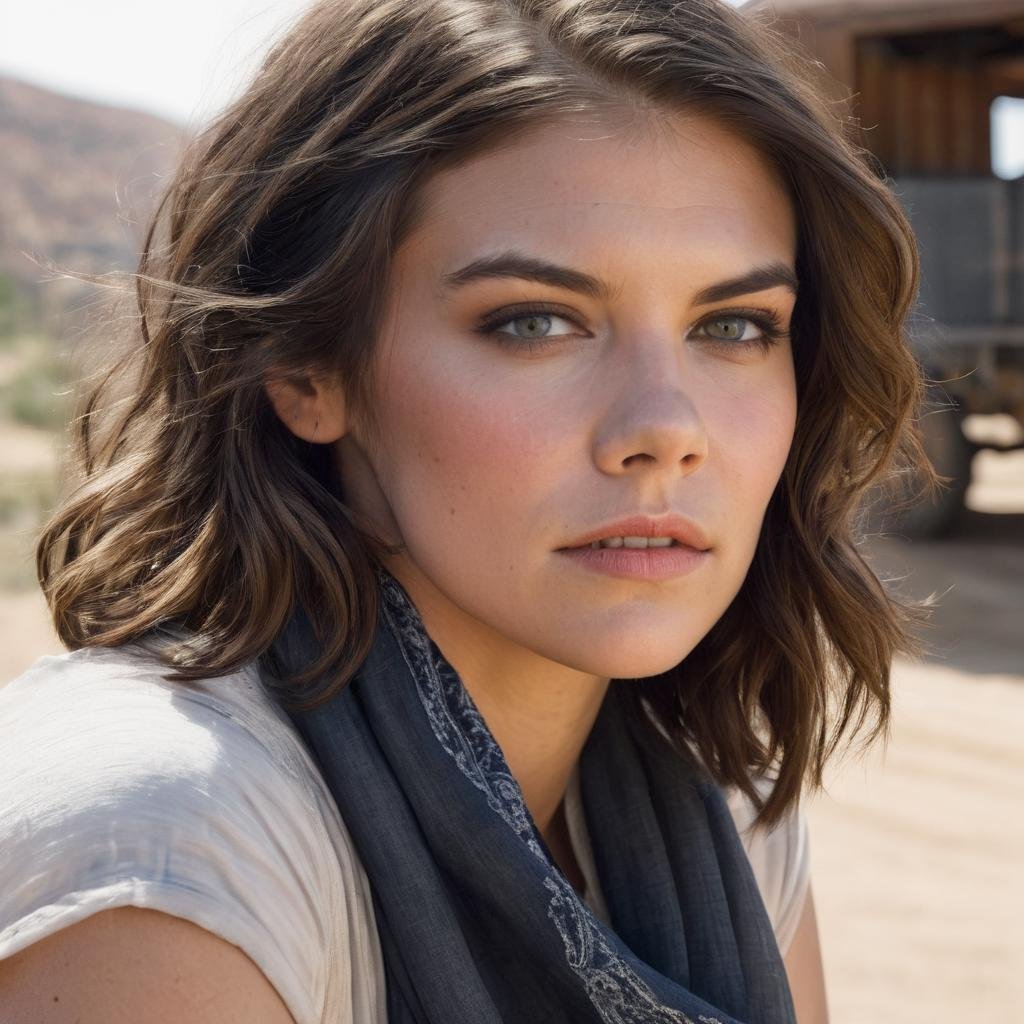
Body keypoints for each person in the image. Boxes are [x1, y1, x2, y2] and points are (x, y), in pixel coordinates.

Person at [0, 1, 937, 1021]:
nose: (667, 429)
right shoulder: (164, 843)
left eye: (734, 325)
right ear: (309, 368)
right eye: (536, 322)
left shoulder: (721, 808)